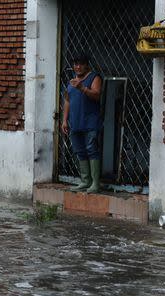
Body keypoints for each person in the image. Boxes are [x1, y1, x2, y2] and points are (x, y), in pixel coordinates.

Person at [62, 54, 103, 193]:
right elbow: (67, 100)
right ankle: (85, 181)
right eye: (75, 64)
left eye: (80, 64)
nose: (77, 67)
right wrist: (64, 120)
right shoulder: (72, 81)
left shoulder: (94, 77)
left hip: (90, 121)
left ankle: (95, 183)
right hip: (75, 122)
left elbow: (97, 95)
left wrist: (82, 88)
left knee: (92, 149)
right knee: (79, 151)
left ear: (87, 65)